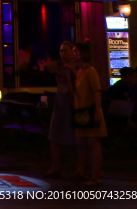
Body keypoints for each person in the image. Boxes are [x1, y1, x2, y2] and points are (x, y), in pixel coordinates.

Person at [73, 41, 106, 185]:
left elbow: (97, 92)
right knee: (83, 143)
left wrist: (97, 111)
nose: (74, 54)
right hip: (81, 112)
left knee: (93, 142)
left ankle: (96, 175)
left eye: (76, 52)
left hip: (90, 111)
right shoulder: (79, 72)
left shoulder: (90, 71)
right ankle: (87, 171)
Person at [44, 40, 77, 177]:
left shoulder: (75, 67)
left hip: (71, 101)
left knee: (76, 136)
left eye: (65, 51)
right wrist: (61, 65)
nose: (62, 53)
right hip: (60, 100)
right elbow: (47, 65)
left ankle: (80, 166)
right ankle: (56, 166)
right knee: (54, 134)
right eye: (61, 51)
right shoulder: (61, 66)